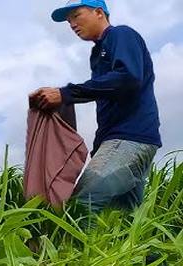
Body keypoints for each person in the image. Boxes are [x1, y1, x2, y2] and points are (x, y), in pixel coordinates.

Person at [29, 0, 162, 215]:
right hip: (121, 138)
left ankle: (70, 250)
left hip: (129, 137)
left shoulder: (120, 35)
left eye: (76, 15)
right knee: (124, 219)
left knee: (83, 204)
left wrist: (65, 94)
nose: (71, 23)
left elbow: (128, 78)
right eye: (68, 19)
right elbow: (108, 98)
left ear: (99, 12)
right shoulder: (97, 54)